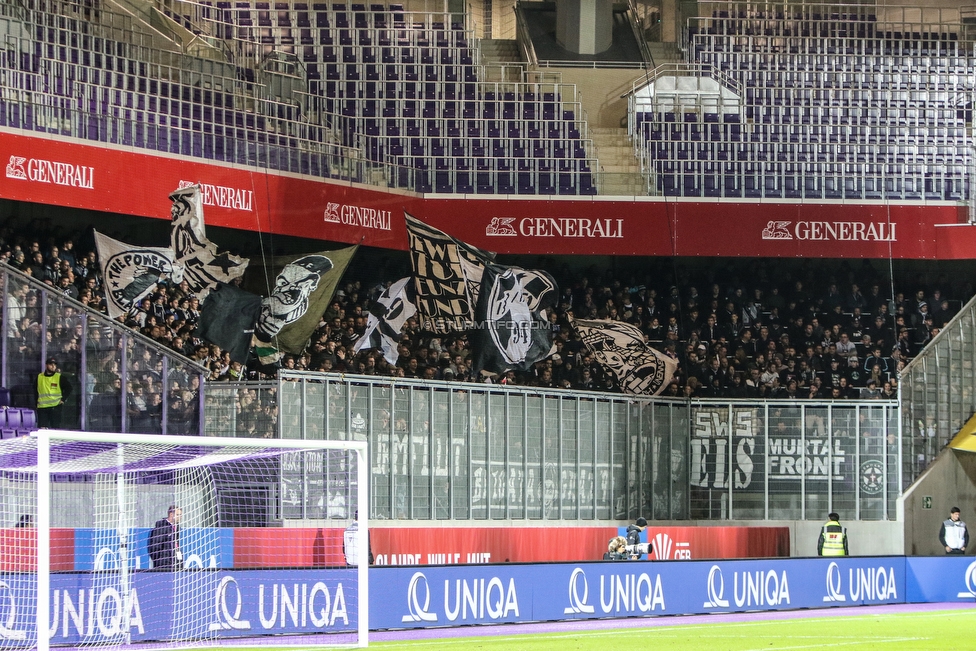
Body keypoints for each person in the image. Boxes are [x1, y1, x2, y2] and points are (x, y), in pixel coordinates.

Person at [36, 357, 72, 429]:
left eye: (55, 364)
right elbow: (35, 390)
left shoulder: (59, 377)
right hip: (42, 407)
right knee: (42, 430)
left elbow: (69, 388)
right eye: (51, 364)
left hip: (55, 407)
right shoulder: (39, 377)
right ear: (46, 365)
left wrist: (63, 399)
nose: (53, 366)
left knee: (55, 428)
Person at [148, 505, 183, 570]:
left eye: (180, 515)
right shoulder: (161, 527)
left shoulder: (176, 527)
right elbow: (155, 546)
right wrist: (160, 559)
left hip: (175, 562)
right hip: (164, 564)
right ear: (171, 514)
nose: (180, 517)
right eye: (178, 515)